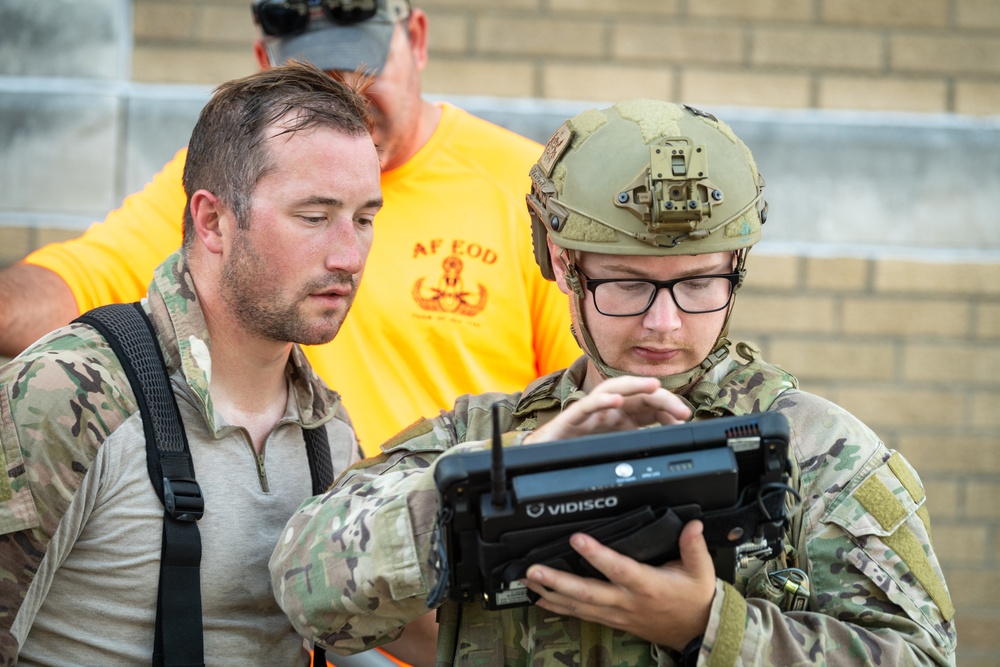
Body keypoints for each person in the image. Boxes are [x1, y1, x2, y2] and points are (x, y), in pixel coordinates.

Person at [268, 100, 958, 666]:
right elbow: (305, 589)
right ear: (563, 265)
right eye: (626, 284)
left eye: (698, 284)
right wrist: (516, 465)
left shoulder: (822, 454)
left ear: (737, 267)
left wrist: (712, 627)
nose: (664, 322)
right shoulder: (480, 440)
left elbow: (920, 656)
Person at [0, 0, 579, 452]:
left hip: (441, 566)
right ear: (265, 65)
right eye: (315, 75)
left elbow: (581, 404)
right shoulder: (232, 180)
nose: (347, 95)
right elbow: (76, 285)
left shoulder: (529, 189)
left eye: (363, 65)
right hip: (267, 549)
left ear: (418, 39)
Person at [0, 61, 386, 665]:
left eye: (365, 219)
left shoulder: (329, 435)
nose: (349, 255)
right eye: (314, 217)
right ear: (212, 221)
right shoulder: (67, 395)